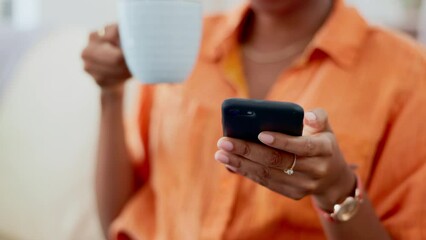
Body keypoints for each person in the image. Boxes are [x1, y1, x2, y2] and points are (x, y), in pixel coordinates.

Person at [81, 0, 426, 239]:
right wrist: (110, 93)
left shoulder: (408, 76)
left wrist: (336, 191)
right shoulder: (179, 48)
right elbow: (117, 221)